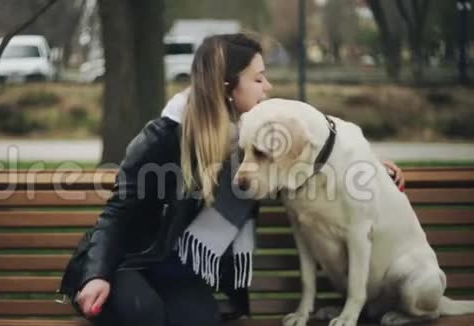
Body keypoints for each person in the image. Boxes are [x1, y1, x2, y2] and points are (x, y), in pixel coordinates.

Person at [58, 33, 406, 326]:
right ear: (228, 87)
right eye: (257, 79)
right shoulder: (163, 137)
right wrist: (96, 274)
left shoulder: (250, 143)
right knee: (144, 314)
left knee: (200, 319)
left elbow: (312, 141)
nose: (267, 87)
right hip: (129, 262)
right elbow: (118, 212)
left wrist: (372, 167)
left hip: (177, 274)